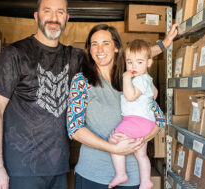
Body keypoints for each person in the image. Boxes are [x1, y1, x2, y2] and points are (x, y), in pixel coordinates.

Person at [0, 0, 84, 189]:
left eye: (60, 12)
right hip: (22, 168)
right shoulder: (15, 54)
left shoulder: (74, 57)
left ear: (67, 18)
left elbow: (111, 62)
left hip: (59, 166)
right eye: (47, 11)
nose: (54, 18)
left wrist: (158, 49)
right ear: (37, 16)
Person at [67, 24, 178, 189]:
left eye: (106, 43)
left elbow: (159, 119)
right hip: (93, 174)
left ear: (117, 48)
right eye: (94, 44)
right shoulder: (82, 81)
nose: (100, 49)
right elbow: (74, 127)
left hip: (132, 177)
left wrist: (138, 140)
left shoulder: (132, 79)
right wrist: (114, 148)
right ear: (89, 50)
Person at [109, 39, 157, 189]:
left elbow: (130, 96)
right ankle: (146, 181)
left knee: (114, 141)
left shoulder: (140, 80)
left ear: (149, 63)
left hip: (136, 121)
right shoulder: (147, 80)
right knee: (140, 155)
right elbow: (154, 94)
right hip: (146, 122)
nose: (133, 67)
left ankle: (121, 173)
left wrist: (126, 78)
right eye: (130, 62)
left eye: (139, 62)